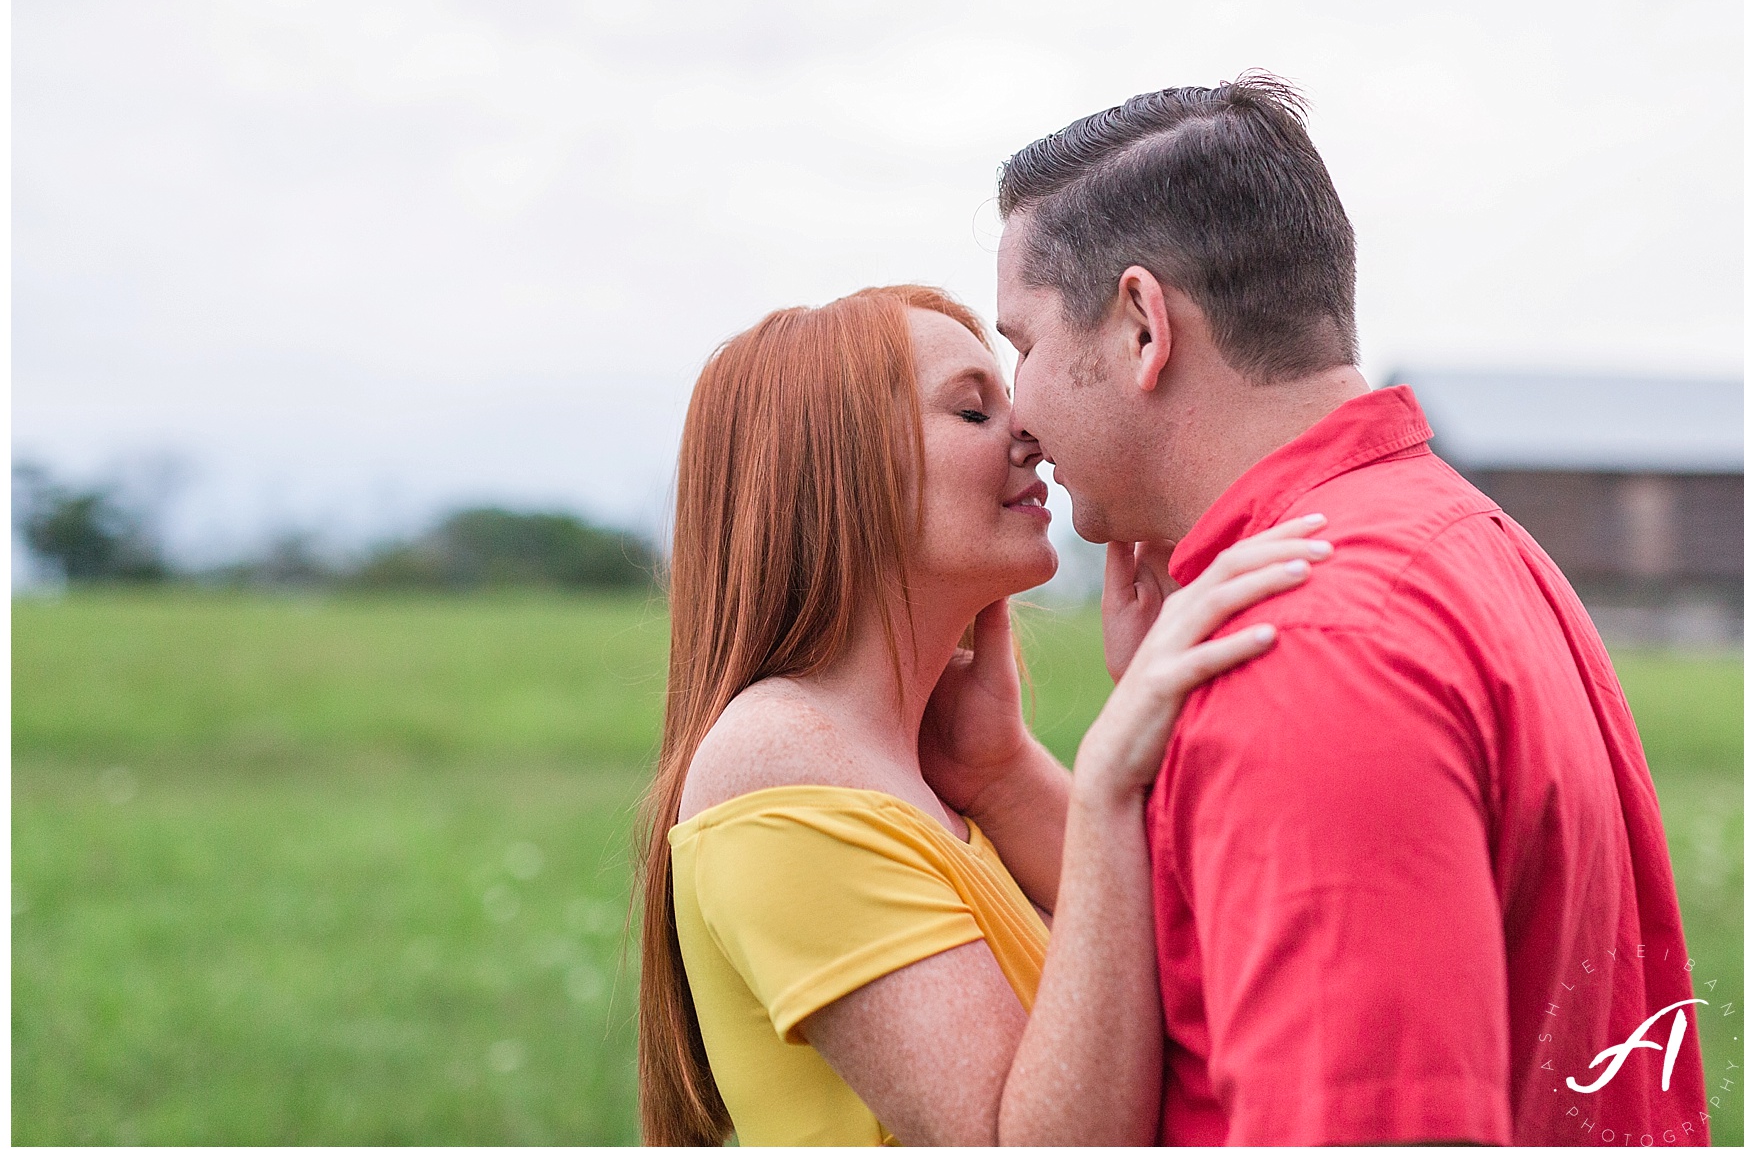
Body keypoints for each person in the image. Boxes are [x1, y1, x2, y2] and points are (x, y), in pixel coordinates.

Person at [986, 74, 1709, 1145]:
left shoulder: (1302, 648)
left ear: (1142, 325)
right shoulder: (1465, 538)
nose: (1018, 408)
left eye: (1023, 346)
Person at [635, 283, 1333, 1145]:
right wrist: (1114, 772)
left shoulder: (924, 771)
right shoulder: (777, 762)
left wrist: (1003, 775)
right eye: (973, 412)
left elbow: (1199, 965)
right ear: (835, 471)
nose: (1030, 435)